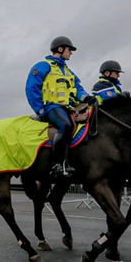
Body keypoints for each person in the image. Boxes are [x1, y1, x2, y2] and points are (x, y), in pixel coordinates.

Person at [25, 36, 91, 178]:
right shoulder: (43, 66)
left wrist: (86, 97)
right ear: (60, 49)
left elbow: (77, 88)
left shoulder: (68, 71)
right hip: (51, 107)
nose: (71, 53)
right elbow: (31, 88)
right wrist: (40, 110)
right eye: (69, 49)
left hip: (68, 107)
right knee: (65, 125)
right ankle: (58, 165)